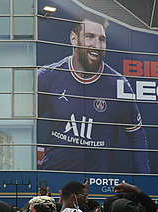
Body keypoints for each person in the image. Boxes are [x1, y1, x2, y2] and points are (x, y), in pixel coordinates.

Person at [37, 10, 150, 173]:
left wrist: (144, 181)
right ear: (73, 38)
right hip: (56, 178)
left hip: (96, 186)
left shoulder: (118, 84)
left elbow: (136, 134)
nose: (96, 46)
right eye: (90, 37)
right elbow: (28, 124)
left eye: (101, 39)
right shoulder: (48, 76)